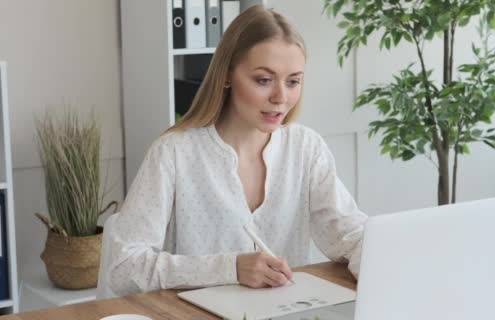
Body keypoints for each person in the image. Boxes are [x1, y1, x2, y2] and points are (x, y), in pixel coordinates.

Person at [108, 5, 367, 296]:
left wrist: (379, 263)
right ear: (227, 75)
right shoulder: (173, 154)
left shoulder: (306, 148)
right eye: (263, 80)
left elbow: (350, 235)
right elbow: (123, 269)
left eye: (293, 81)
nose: (281, 97)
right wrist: (229, 269)